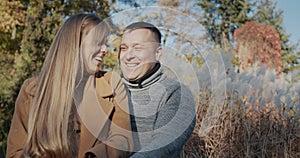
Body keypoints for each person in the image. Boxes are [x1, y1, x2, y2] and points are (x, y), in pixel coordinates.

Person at [6, 14, 133, 158]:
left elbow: (123, 139)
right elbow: (15, 152)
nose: (105, 50)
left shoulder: (112, 83)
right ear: (74, 44)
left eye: (105, 43)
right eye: (98, 42)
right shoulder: (31, 90)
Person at [118, 22, 196, 157]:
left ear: (157, 53)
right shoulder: (106, 88)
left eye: (137, 48)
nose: (128, 56)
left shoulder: (176, 93)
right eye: (124, 48)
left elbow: (164, 144)